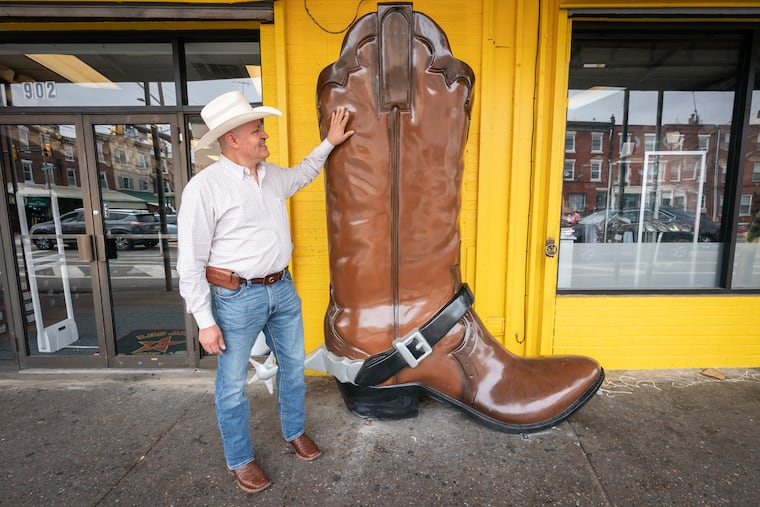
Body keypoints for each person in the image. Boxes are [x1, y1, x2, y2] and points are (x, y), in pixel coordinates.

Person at [176, 90, 354, 493]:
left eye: (262, 129)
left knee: (294, 369)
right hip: (236, 299)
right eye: (257, 130)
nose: (264, 136)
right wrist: (205, 322)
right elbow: (190, 263)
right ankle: (240, 459)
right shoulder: (204, 189)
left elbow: (305, 172)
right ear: (232, 139)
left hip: (282, 289)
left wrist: (330, 141)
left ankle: (294, 431)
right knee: (233, 385)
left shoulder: (271, 175)